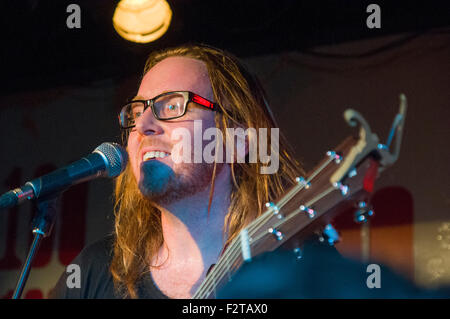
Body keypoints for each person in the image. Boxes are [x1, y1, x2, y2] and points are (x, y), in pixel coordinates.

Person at [49, 44, 303, 299]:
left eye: (172, 106)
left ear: (237, 141)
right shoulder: (92, 272)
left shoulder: (301, 271)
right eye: (137, 111)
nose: (142, 125)